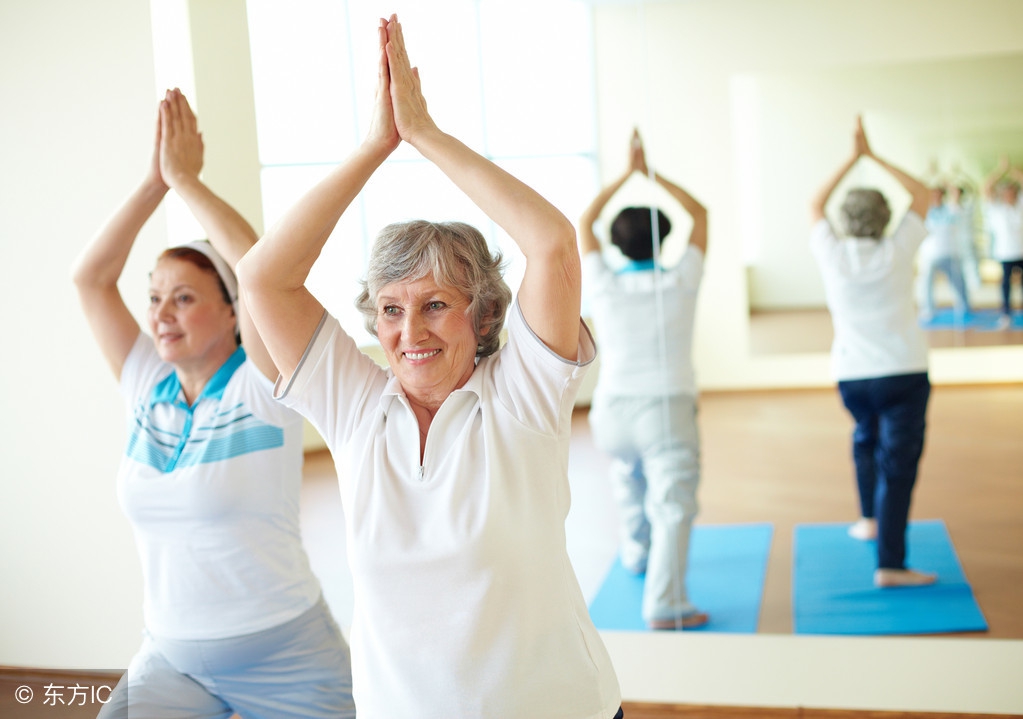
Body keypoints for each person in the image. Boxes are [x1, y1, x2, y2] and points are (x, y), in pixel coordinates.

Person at [236, 16, 622, 719]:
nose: (409, 331)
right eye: (390, 309)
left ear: (482, 313)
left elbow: (551, 244)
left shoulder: (523, 393)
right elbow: (262, 278)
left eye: (436, 304)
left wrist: (424, 135)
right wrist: (372, 148)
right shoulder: (355, 406)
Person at [72, 89, 355, 719]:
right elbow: (90, 278)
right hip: (171, 659)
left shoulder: (263, 381)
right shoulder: (146, 381)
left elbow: (258, 265)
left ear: (233, 310)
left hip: (289, 660)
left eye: (184, 298)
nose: (160, 315)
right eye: (154, 298)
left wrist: (187, 182)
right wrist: (155, 181)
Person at [577, 130, 709, 630]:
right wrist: (651, 174)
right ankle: (666, 603)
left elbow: (585, 221)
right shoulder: (681, 279)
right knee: (672, 504)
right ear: (665, 239)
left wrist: (626, 175)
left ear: (615, 243)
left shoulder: (604, 284)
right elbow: (702, 215)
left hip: (611, 411)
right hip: (666, 409)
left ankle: (637, 553)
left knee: (628, 478)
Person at [809, 116, 937, 589]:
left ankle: (868, 519)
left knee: (866, 439)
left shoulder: (832, 253)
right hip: (903, 372)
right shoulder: (898, 248)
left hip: (852, 376)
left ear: (845, 220)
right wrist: (873, 157)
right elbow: (921, 193)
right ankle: (891, 565)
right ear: (885, 217)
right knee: (896, 467)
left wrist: (853, 158)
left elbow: (814, 203)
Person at [917, 184, 970, 321]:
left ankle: (964, 308)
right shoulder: (925, 210)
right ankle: (928, 310)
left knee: (958, 283)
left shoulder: (950, 209)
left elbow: (956, 193)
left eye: (939, 194)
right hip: (929, 254)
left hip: (949, 252)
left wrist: (947, 182)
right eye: (933, 194)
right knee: (926, 284)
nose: (936, 197)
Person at [981, 156, 1023, 329]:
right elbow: (986, 188)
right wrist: (1001, 170)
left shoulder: (1020, 205)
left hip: (1021, 252)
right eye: (1006, 191)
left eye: (1011, 191)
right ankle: (1006, 315)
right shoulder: (996, 208)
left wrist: (1011, 170)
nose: (1009, 194)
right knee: (1006, 287)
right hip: (1005, 253)